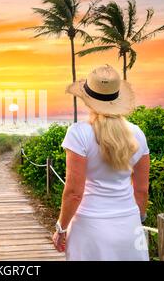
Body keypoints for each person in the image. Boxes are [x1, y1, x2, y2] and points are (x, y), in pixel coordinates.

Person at [52, 65, 150, 261]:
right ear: (117, 98)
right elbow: (141, 190)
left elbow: (73, 193)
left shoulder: (79, 133)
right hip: (128, 225)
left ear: (87, 100)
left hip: (89, 227)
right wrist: (135, 221)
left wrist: (61, 228)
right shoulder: (137, 134)